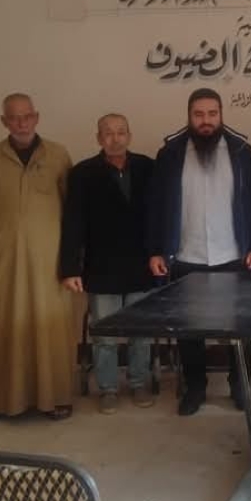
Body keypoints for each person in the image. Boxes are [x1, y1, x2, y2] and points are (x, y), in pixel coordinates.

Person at [148, 88, 251, 417]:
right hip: (187, 254)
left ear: (221, 114)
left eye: (212, 114)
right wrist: (156, 250)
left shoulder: (242, 152)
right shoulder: (170, 154)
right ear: (189, 116)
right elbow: (155, 206)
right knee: (190, 329)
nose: (206, 121)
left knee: (239, 326)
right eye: (199, 114)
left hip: (234, 254)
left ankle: (240, 384)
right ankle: (195, 387)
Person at [0, 93, 74, 426]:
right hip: (3, 263)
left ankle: (55, 398)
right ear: (4, 121)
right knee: (4, 330)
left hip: (50, 263)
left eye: (27, 116)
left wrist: (73, 262)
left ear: (37, 117)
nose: (22, 122)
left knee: (50, 328)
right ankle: (1, 402)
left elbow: (74, 213)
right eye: (14, 117)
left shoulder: (58, 156)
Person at [60, 113, 156, 413]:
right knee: (104, 336)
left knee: (141, 333)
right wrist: (70, 268)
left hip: (141, 265)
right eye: (108, 133)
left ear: (129, 135)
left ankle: (139, 383)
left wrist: (161, 255)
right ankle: (108, 388)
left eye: (121, 132)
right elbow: (73, 223)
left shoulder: (148, 167)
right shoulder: (82, 173)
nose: (115, 138)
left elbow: (159, 217)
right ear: (99, 138)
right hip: (101, 267)